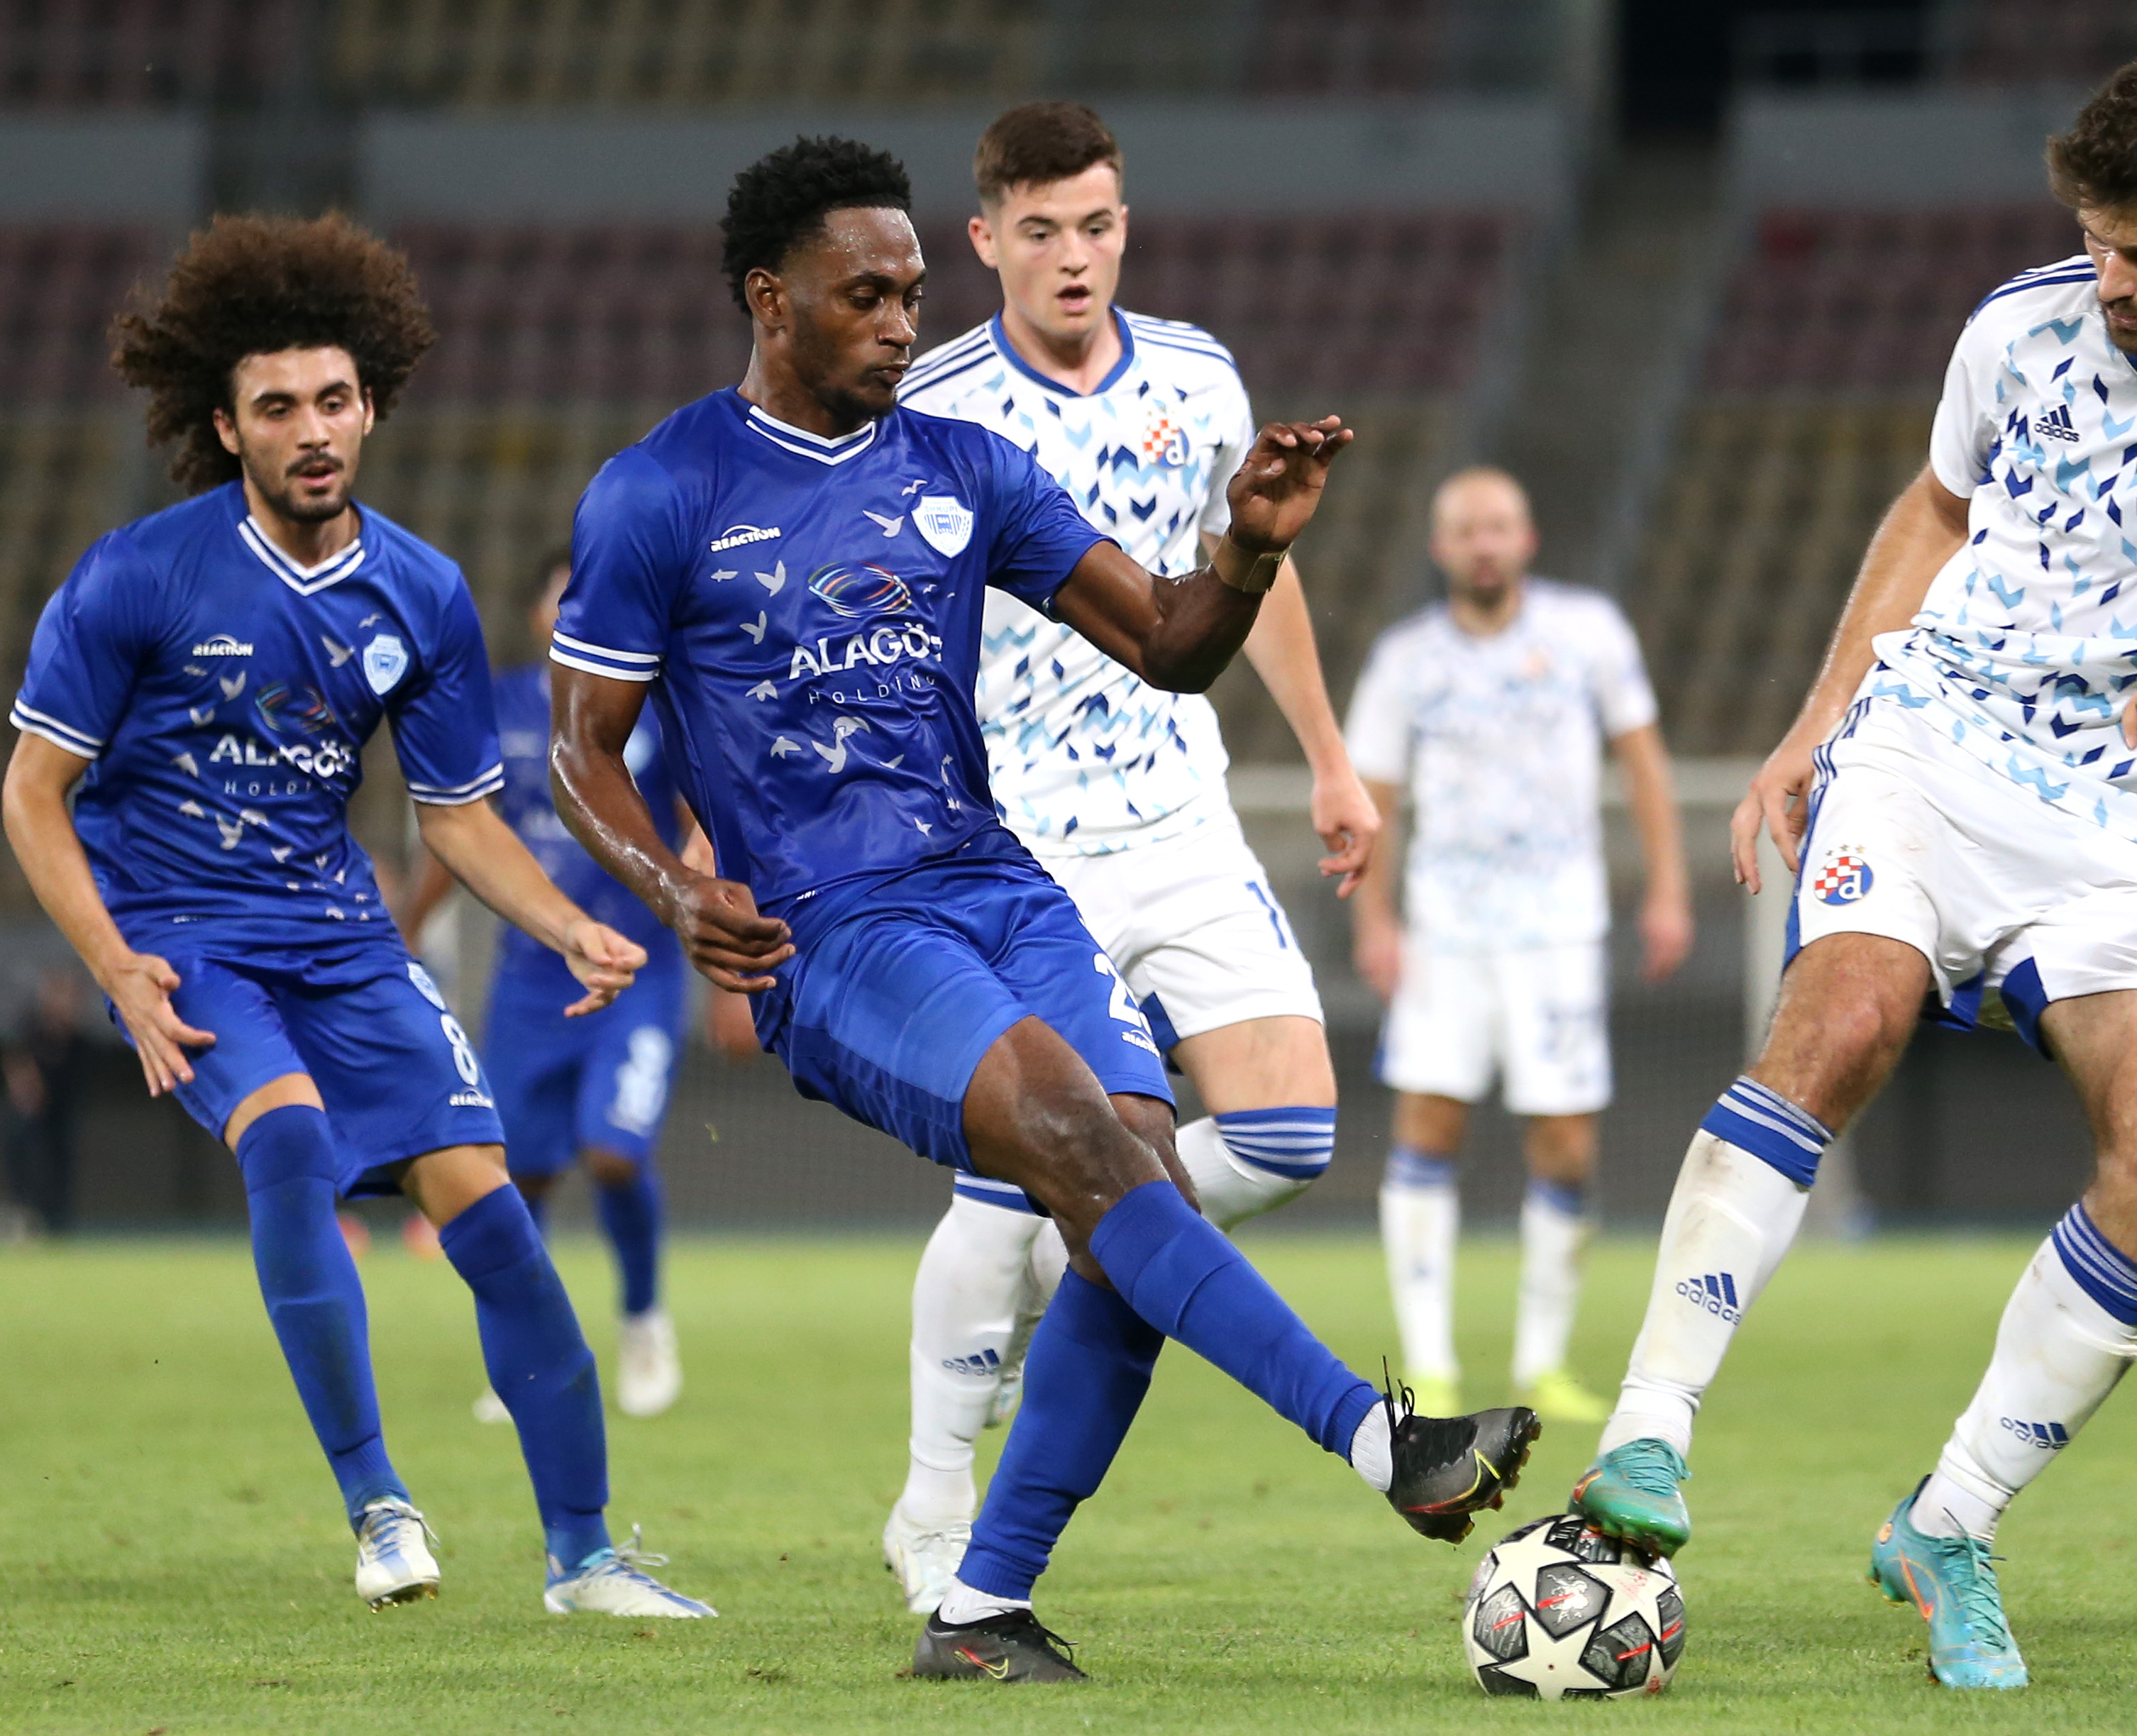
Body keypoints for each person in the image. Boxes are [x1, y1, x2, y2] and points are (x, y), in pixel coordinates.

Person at [546, 136, 1539, 1684]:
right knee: (1087, 1142)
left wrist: (1246, 548)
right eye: (864, 296)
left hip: (998, 883)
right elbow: (579, 748)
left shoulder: (963, 469)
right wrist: (677, 890)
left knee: (1141, 1176)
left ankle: (978, 1608)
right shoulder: (661, 490)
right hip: (834, 927)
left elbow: (1169, 644)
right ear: (770, 297)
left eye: (909, 295)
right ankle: (1375, 1433)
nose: (898, 324)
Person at [1564, 41, 2137, 1689]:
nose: (2107, 279)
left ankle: (1950, 1519)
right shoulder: (2015, 328)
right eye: (2092, 239)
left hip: (2130, 822)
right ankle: (1646, 1427)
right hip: (1933, 744)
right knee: (1844, 1016)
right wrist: (1815, 719)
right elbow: (1933, 511)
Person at [1, 214, 713, 1619]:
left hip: (340, 939)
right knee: (290, 1141)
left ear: (372, 404)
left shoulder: (422, 590)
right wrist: (116, 968)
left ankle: (584, 1559)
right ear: (227, 426)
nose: (312, 429)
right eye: (277, 407)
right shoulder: (137, 574)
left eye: (333, 398)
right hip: (184, 936)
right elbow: (33, 792)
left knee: (493, 1223)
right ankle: (380, 1506)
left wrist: (567, 926)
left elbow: (458, 815)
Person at [872, 100, 1381, 1609]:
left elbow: (1250, 573)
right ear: (985, 241)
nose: (1072, 256)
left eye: (1094, 225)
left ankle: (1082, 1239)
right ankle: (932, 1501)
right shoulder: (936, 407)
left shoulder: (1199, 377)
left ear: (1124, 226)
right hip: (1013, 840)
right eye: (1039, 231)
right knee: (1005, 1176)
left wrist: (1328, 754)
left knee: (1289, 1132)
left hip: (1179, 814)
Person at [1348, 468, 1691, 1422]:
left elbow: (1644, 763)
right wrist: (1375, 919)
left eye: (1498, 525)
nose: (1484, 543)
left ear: (1527, 538)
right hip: (1445, 930)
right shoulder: (1405, 660)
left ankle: (1542, 1361)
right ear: (1440, 547)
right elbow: (1375, 798)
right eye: (1466, 529)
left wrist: (1667, 888)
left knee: (1566, 1140)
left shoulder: (1588, 633)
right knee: (1427, 1124)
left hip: (1559, 928)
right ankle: (1429, 1364)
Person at [400, 548, 695, 1420]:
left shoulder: (657, 705)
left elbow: (701, 827)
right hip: (531, 980)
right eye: (565, 601)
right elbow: (463, 828)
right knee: (516, 1175)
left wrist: (725, 963)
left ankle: (642, 1319)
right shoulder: (498, 706)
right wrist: (405, 928)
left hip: (638, 971)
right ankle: (528, 1355)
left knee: (613, 1150)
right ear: (538, 616)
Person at [0, 968, 90, 1240]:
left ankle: (56, 1223)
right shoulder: (30, 1029)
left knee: (60, 1165)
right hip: (25, 1114)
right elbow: (17, 1063)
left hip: (59, 1114)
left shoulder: (78, 1040)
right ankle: (20, 1216)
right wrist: (27, 1092)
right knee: (26, 1159)